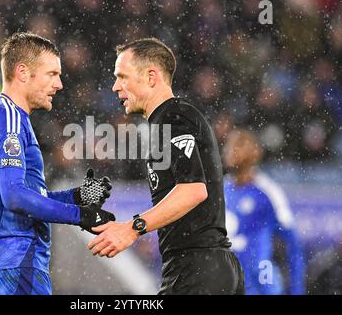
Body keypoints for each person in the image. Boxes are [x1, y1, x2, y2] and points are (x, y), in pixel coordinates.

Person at [88, 38, 244, 295]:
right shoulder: (166, 121)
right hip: (207, 267)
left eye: (122, 77)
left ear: (151, 77)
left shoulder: (174, 117)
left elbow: (194, 190)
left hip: (198, 270)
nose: (115, 86)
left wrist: (133, 228)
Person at [0, 32, 115, 295]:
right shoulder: (7, 119)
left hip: (8, 264)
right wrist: (79, 215)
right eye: (52, 74)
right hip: (14, 262)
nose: (59, 84)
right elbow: (14, 197)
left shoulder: (13, 119)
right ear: (23, 72)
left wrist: (76, 196)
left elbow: (26, 196)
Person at [222, 128, 306, 295]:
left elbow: (293, 244)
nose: (229, 150)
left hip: (261, 284)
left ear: (253, 153)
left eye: (237, 145)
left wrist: (297, 289)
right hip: (227, 283)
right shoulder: (220, 190)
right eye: (228, 145)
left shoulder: (268, 192)